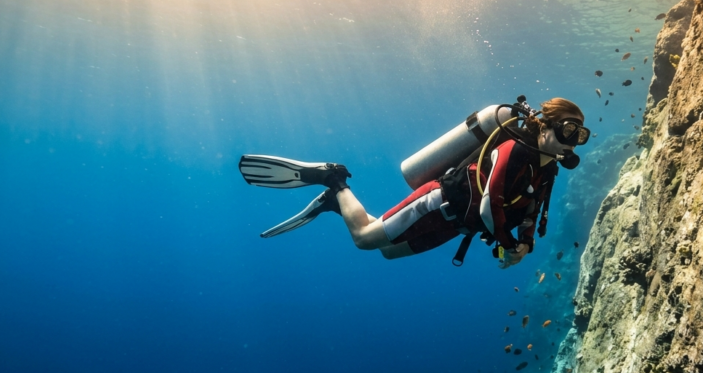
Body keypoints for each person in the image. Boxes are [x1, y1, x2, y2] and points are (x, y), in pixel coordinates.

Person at [239, 98, 588, 267]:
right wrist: (509, 244)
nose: (573, 139)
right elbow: (489, 203)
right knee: (363, 240)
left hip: (458, 226)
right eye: (568, 129)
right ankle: (333, 181)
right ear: (544, 126)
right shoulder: (512, 148)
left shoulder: (549, 169)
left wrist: (525, 244)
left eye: (580, 134)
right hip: (437, 202)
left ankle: (336, 204)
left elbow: (533, 210)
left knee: (389, 253)